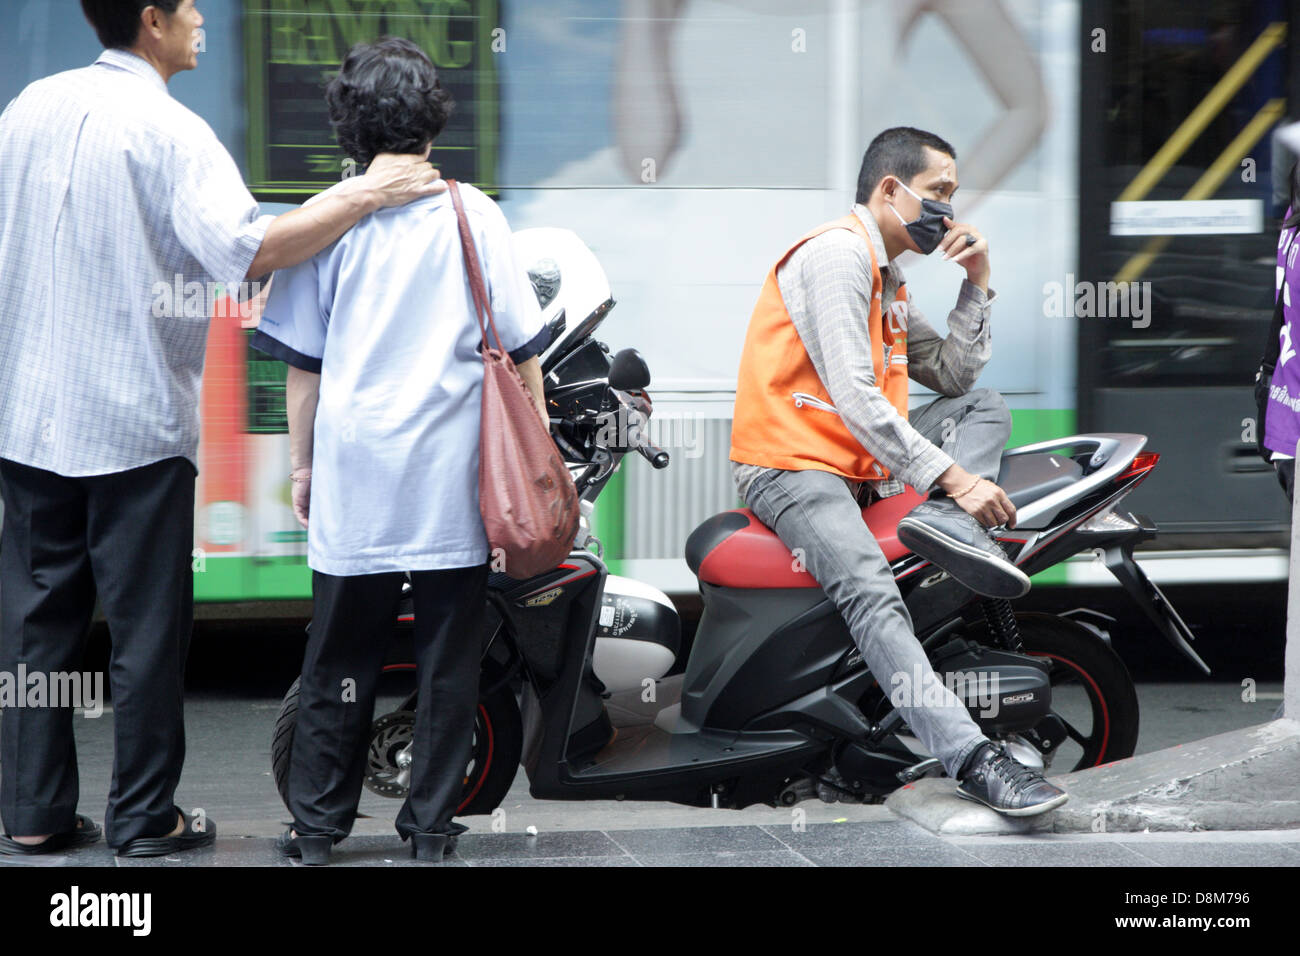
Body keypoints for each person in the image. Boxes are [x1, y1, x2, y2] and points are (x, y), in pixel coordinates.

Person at [0, 0, 443, 858]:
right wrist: (367, 190)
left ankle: (32, 814)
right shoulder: (172, 131)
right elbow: (251, 250)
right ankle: (143, 821)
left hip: (24, 419)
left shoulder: (25, 109)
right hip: (135, 426)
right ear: (152, 19)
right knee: (145, 635)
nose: (203, 17)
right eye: (191, 6)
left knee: (34, 629)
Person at [251, 36, 551, 865]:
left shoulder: (331, 216)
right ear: (433, 121)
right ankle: (429, 829)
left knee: (338, 656)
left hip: (358, 473)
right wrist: (535, 463)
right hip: (453, 479)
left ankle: (318, 829)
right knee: (448, 658)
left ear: (349, 122)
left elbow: (305, 370)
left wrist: (304, 466)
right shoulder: (474, 212)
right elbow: (522, 351)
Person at [729, 126, 1067, 815]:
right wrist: (957, 479)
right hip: (793, 467)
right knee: (871, 594)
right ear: (892, 189)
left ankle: (944, 528)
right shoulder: (836, 258)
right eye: (939, 192)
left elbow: (952, 373)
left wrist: (977, 285)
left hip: (858, 466)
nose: (949, 210)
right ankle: (975, 758)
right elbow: (853, 393)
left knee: (983, 404)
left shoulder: (890, 277)